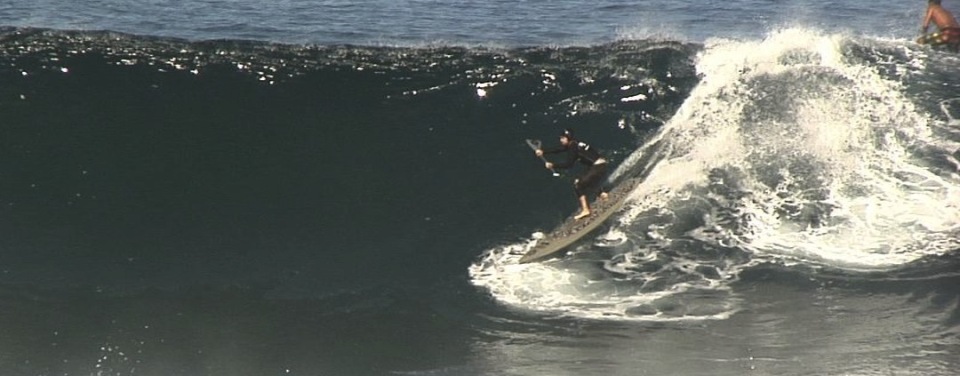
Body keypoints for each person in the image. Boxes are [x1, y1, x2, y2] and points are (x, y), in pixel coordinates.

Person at [535, 129, 609, 220]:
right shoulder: (574, 143)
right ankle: (602, 194)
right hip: (600, 165)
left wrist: (553, 165)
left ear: (568, 138)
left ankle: (586, 210)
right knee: (584, 180)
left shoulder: (573, 147)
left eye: (562, 138)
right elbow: (559, 149)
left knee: (578, 184)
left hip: (597, 167)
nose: (560, 140)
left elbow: (569, 164)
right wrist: (543, 151)